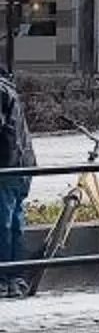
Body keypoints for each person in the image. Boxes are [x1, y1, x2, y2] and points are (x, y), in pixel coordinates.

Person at [0, 69, 34, 295]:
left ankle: (4, 278)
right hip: (22, 163)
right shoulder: (6, 86)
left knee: (3, 224)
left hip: (7, 165)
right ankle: (16, 279)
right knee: (13, 223)